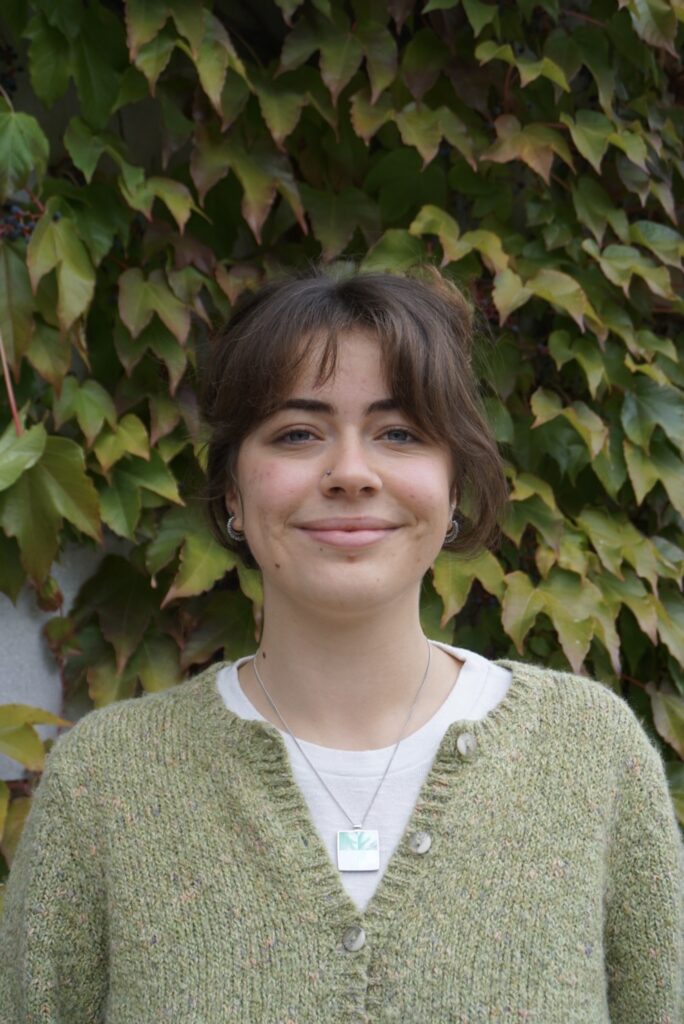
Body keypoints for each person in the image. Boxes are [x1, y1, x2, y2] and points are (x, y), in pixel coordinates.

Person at [0, 266, 681, 1023]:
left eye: (400, 433)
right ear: (233, 492)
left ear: (454, 484)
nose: (351, 474)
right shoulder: (106, 785)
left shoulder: (590, 756)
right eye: (297, 434)